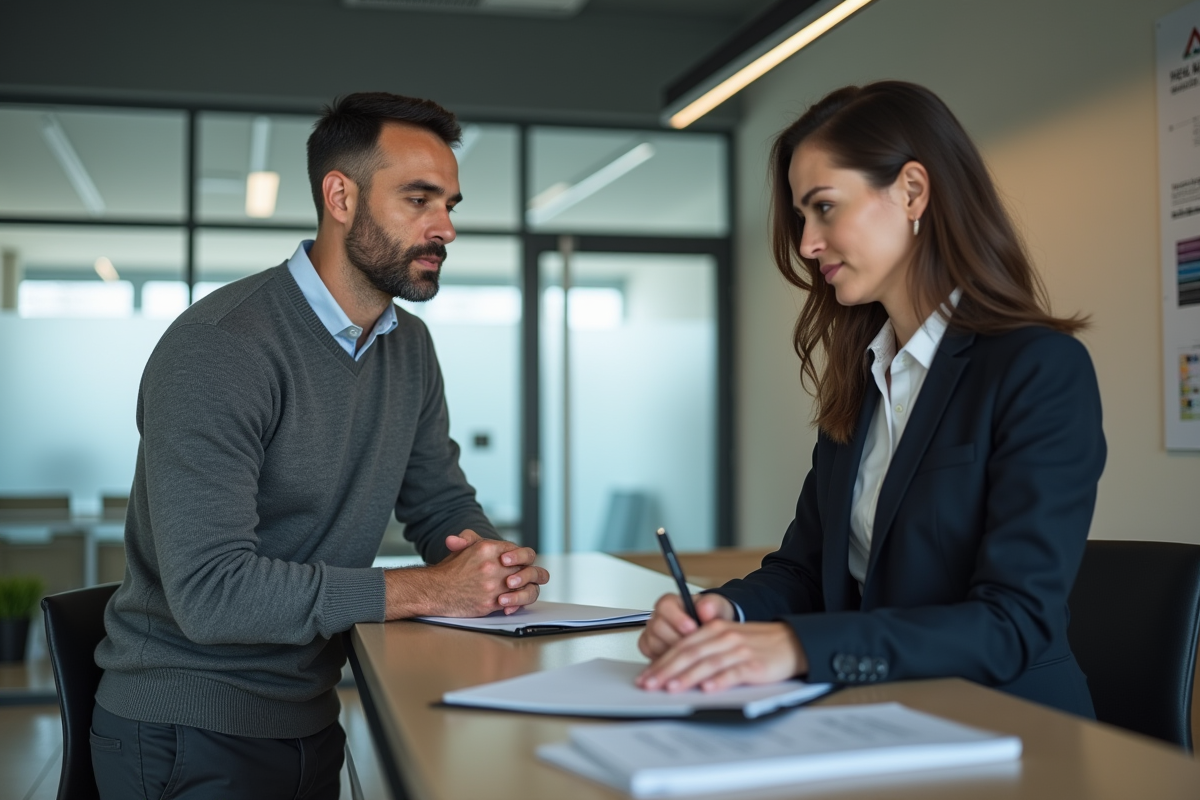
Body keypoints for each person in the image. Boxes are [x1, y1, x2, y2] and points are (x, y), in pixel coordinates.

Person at [89, 92, 549, 799]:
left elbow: (438, 500)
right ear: (340, 196)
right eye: (419, 200)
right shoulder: (222, 349)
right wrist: (431, 589)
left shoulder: (409, 347)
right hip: (188, 728)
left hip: (309, 714)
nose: (446, 228)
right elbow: (213, 594)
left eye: (450, 205)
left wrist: (491, 565)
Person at [636, 81, 1104, 718]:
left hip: (1010, 730)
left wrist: (796, 646)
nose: (806, 243)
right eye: (802, 217)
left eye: (824, 208)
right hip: (877, 719)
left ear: (912, 191)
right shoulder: (864, 379)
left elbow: (1012, 623)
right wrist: (726, 610)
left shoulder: (1038, 368)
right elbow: (806, 570)